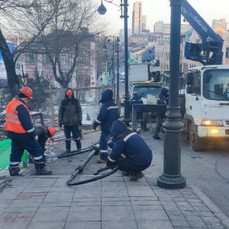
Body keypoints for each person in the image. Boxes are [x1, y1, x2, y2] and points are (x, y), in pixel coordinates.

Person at [5, 87, 52, 176]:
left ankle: (13, 170)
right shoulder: (21, 107)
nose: (28, 101)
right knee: (36, 149)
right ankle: (40, 169)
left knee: (16, 151)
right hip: (22, 134)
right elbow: (26, 123)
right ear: (24, 97)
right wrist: (33, 134)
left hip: (12, 133)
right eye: (28, 99)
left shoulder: (11, 104)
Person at [93, 89, 119, 163]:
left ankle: (104, 158)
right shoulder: (115, 105)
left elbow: (101, 117)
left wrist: (95, 124)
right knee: (110, 141)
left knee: (103, 142)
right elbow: (117, 115)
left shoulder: (105, 106)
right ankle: (117, 153)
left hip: (106, 128)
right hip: (113, 127)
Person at [58, 88, 82, 153]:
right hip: (66, 123)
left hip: (74, 123)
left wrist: (80, 120)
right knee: (67, 138)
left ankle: (79, 148)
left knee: (77, 137)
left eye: (70, 95)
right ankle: (68, 149)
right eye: (68, 96)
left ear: (72, 95)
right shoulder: (63, 102)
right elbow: (60, 112)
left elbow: (79, 111)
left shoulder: (76, 101)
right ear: (66, 95)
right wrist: (60, 121)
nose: (69, 97)